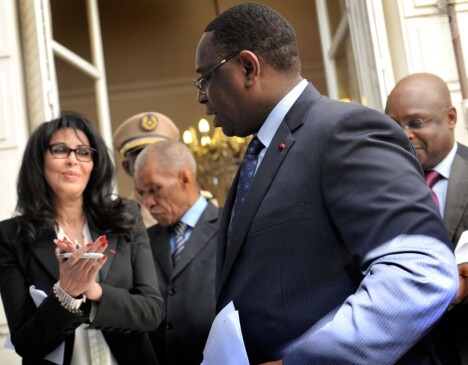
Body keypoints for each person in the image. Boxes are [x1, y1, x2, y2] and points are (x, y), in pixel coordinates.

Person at [194, 3, 458, 364]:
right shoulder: (262, 153)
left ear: (248, 67)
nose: (201, 97)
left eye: (206, 77)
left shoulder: (346, 129)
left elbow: (420, 274)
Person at [0, 111, 164, 365]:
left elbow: (151, 311)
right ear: (39, 160)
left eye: (83, 152)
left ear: (94, 164)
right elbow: (26, 343)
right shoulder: (12, 235)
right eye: (60, 150)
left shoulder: (126, 216)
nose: (73, 160)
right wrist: (67, 293)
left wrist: (92, 290)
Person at [385, 72, 468, 365]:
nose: (404, 134)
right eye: (393, 125)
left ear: (451, 118)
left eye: (416, 122)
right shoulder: (383, 189)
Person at [133, 140, 220, 365]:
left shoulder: (231, 226)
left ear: (184, 178)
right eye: (142, 193)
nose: (148, 203)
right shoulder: (144, 240)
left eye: (154, 189)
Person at [113, 111, 181, 228]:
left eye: (161, 157)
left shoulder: (194, 208)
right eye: (141, 159)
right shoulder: (117, 218)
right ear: (127, 167)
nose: (152, 166)